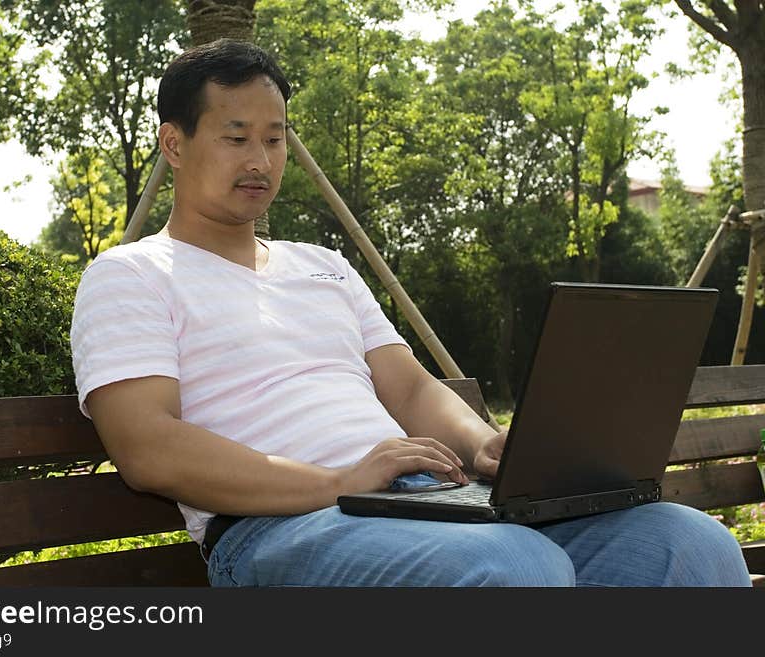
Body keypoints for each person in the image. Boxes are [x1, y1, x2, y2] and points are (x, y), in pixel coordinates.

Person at [70, 38, 750, 587]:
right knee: (515, 568)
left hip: (420, 501)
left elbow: (410, 387)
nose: (261, 160)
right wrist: (336, 481)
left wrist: (485, 444)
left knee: (690, 546)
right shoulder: (130, 276)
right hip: (276, 527)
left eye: (275, 139)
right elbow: (147, 449)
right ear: (174, 143)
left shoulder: (324, 266)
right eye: (237, 136)